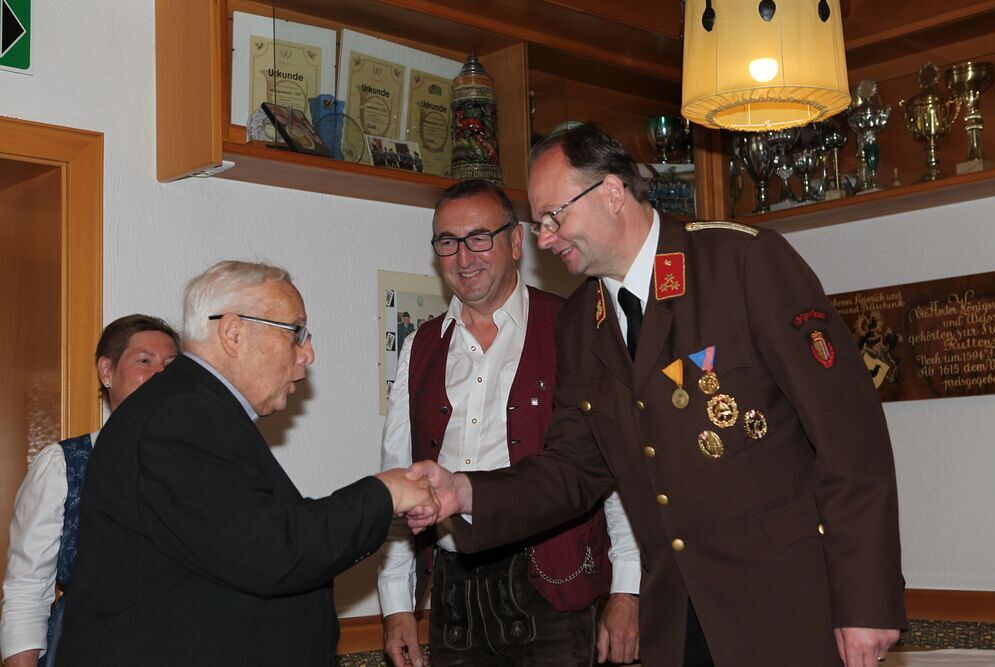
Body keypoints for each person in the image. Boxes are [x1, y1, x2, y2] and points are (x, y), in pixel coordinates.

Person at [409, 124, 908, 667]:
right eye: (540, 222)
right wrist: (466, 492)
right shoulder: (580, 323)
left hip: (788, 607)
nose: (545, 239)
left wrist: (867, 601)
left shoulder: (739, 263)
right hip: (676, 622)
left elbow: (848, 436)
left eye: (555, 217)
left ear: (612, 192)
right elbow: (571, 470)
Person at [55, 261, 438, 666]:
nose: (307, 354)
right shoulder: (182, 415)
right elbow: (274, 551)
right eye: (296, 332)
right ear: (233, 332)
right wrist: (385, 493)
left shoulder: (189, 407)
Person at [380, 180, 640, 667]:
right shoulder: (420, 346)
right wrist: (397, 603)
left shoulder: (573, 328)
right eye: (448, 242)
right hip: (453, 592)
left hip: (554, 586)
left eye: (479, 237)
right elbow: (401, 479)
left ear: (516, 242)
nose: (464, 257)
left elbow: (612, 466)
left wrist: (628, 588)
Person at [1, 315, 181, 667]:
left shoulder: (203, 465)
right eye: (145, 361)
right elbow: (27, 587)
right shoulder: (65, 465)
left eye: (171, 366)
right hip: (86, 647)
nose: (161, 374)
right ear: (107, 371)